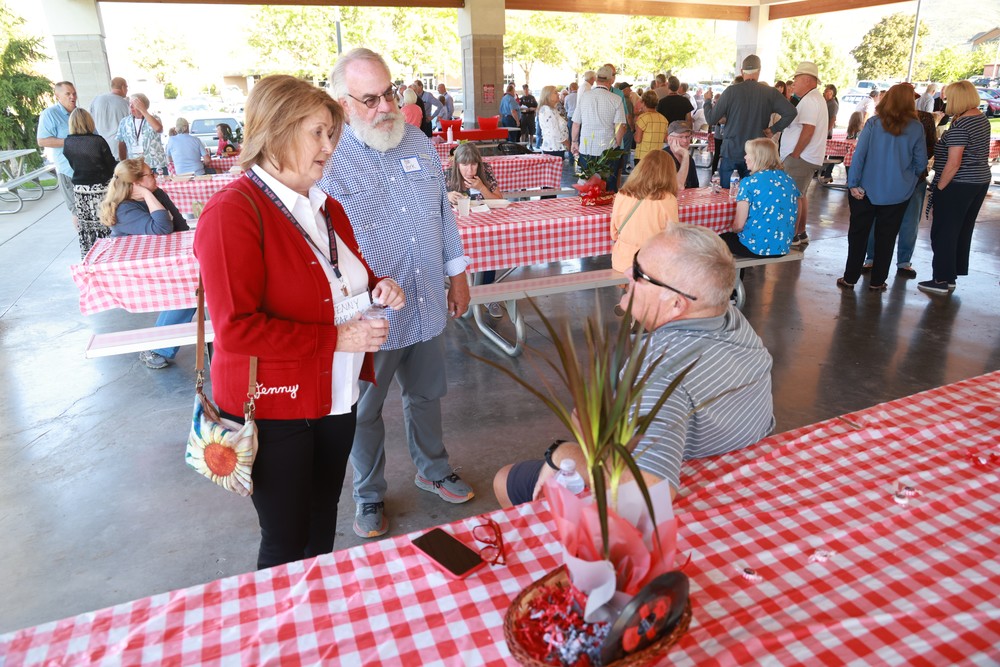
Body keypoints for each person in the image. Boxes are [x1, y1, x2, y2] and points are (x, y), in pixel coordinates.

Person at [193, 75, 403, 569]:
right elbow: (237, 328)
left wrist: (379, 286)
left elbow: (338, 279)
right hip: (275, 405)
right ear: (276, 132)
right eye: (318, 133)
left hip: (337, 395)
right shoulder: (233, 212)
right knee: (286, 540)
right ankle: (283, 618)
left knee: (321, 523)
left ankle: (314, 610)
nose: (330, 146)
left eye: (332, 133)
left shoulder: (325, 207)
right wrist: (337, 339)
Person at [494, 225, 775, 506]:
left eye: (641, 274)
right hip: (738, 466)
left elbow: (649, 494)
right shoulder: (728, 317)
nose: (628, 273)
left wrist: (565, 452)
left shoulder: (660, 371)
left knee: (505, 480)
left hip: (680, 490)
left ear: (676, 304)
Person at [320, 48, 473, 539]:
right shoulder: (327, 160)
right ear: (343, 104)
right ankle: (368, 494)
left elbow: (442, 213)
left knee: (427, 393)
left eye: (389, 92)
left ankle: (433, 469)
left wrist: (458, 275)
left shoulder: (418, 143)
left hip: (426, 297)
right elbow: (321, 243)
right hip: (370, 313)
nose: (386, 106)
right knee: (364, 410)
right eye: (370, 99)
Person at [98, 158, 194, 369]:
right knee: (190, 290)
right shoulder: (124, 209)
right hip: (137, 275)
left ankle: (167, 343)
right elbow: (162, 228)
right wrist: (148, 194)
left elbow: (180, 226)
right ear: (136, 183)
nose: (156, 176)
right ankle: (157, 348)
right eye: (151, 174)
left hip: (164, 263)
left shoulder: (157, 193)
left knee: (196, 286)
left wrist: (152, 194)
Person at [837, 84, 927, 293]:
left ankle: (850, 278)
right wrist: (909, 179)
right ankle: (877, 281)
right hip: (899, 192)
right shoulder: (916, 127)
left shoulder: (873, 123)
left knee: (858, 235)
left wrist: (853, 183)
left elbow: (859, 155)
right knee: (887, 238)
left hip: (865, 190)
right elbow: (921, 162)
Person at [918, 80, 992, 296]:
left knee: (944, 231)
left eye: (949, 97)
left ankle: (941, 279)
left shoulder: (962, 125)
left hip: (959, 183)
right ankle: (949, 276)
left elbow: (954, 163)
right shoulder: (981, 118)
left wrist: (939, 189)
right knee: (960, 229)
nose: (946, 101)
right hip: (978, 180)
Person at [862, 105, 938, 279]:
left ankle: (903, 261)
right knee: (877, 219)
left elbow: (930, 146)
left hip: (911, 178)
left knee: (909, 221)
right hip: (887, 177)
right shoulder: (882, 119)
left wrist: (909, 167)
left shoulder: (924, 119)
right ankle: (871, 257)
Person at [704, 55, 797, 191]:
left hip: (732, 151)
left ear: (742, 72)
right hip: (757, 155)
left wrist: (707, 101)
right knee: (754, 195)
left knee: (727, 194)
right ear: (759, 71)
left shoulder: (731, 91)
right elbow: (791, 112)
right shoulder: (769, 92)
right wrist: (773, 129)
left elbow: (711, 119)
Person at [721, 138, 799, 258]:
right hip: (783, 246)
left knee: (715, 238)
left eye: (748, 154)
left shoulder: (749, 182)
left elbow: (738, 225)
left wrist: (729, 229)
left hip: (756, 248)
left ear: (758, 157)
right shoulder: (788, 180)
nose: (745, 157)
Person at [780, 62, 828, 248]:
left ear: (808, 80)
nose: (794, 83)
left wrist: (796, 153)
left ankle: (792, 236)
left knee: (793, 196)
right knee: (800, 195)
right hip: (806, 157)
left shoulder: (810, 100)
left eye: (797, 79)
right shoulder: (814, 98)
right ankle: (800, 232)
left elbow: (808, 130)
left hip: (802, 157)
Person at [609, 149, 679, 273]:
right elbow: (672, 237)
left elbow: (614, 233)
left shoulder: (622, 194)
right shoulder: (668, 199)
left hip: (622, 262)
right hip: (653, 264)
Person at [63, 108, 117, 258]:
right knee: (105, 221)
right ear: (89, 121)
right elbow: (111, 165)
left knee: (87, 226)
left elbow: (72, 164)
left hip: (81, 190)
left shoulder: (67, 143)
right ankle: (110, 255)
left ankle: (90, 256)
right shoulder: (97, 141)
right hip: (101, 189)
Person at [571, 64, 626, 192]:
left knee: (587, 187)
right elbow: (620, 126)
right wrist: (617, 144)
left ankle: (588, 205)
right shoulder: (616, 99)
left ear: (596, 79)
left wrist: (574, 142)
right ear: (610, 81)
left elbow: (576, 123)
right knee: (608, 187)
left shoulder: (584, 97)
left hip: (586, 148)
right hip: (607, 149)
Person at [36, 81, 78, 220]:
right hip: (68, 171)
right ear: (57, 96)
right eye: (68, 94)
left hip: (88, 171)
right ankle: (82, 235)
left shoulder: (79, 113)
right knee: (76, 211)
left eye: (74, 93)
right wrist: (72, 142)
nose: (72, 97)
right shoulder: (50, 114)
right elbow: (42, 140)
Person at [115, 94, 166, 174]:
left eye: (135, 104)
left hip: (155, 165)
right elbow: (121, 143)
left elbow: (158, 129)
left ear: (143, 105)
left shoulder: (154, 118)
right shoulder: (124, 122)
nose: (131, 106)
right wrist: (124, 163)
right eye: (130, 103)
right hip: (135, 166)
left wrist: (144, 111)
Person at [89, 77, 129, 153]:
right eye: (126, 87)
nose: (127, 90)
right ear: (123, 87)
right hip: (118, 148)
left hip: (99, 146)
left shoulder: (96, 100)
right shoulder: (125, 104)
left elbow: (90, 121)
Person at [633, 90, 668, 164]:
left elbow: (638, 139)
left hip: (643, 156)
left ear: (643, 102)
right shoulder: (663, 119)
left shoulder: (643, 118)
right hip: (657, 156)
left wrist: (634, 134)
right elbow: (665, 139)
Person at [664, 121, 698, 190]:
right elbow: (678, 187)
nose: (685, 141)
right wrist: (685, 155)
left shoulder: (690, 159)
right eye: (681, 137)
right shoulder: (662, 158)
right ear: (669, 139)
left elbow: (695, 187)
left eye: (687, 137)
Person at [537, 85, 569, 156]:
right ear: (548, 95)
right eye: (555, 93)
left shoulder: (552, 109)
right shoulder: (547, 110)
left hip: (557, 147)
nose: (558, 94)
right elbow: (555, 132)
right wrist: (567, 144)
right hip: (553, 148)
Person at [817, 84, 840, 183]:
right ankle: (821, 171)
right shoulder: (825, 102)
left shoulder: (833, 104)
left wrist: (826, 131)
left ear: (833, 94)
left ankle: (823, 171)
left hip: (826, 132)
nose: (825, 93)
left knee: (824, 152)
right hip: (821, 130)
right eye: (825, 91)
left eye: (828, 92)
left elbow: (832, 118)